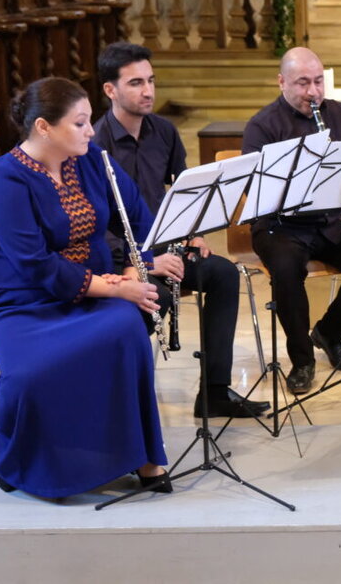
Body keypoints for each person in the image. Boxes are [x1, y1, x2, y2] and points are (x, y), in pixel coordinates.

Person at [0, 77, 171, 498]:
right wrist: (114, 288)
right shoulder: (3, 180)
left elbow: (138, 216)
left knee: (126, 328)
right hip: (24, 301)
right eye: (81, 123)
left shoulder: (91, 158)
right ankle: (19, 457)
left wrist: (141, 268)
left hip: (96, 287)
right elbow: (34, 266)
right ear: (44, 127)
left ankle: (140, 454)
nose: (91, 131)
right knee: (31, 374)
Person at [92, 42, 269, 419]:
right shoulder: (95, 145)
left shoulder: (165, 132)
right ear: (110, 90)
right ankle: (121, 404)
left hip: (166, 249)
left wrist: (194, 231)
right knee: (154, 298)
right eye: (136, 82)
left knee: (222, 273)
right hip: (121, 260)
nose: (149, 91)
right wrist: (140, 262)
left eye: (151, 81)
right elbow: (93, 223)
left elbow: (183, 190)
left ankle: (215, 392)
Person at [242, 47, 341, 394]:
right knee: (286, 271)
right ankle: (302, 360)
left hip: (331, 220)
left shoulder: (338, 114)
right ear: (282, 82)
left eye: (319, 81)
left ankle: (329, 332)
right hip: (281, 225)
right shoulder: (262, 125)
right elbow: (253, 186)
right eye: (303, 83)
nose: (313, 92)